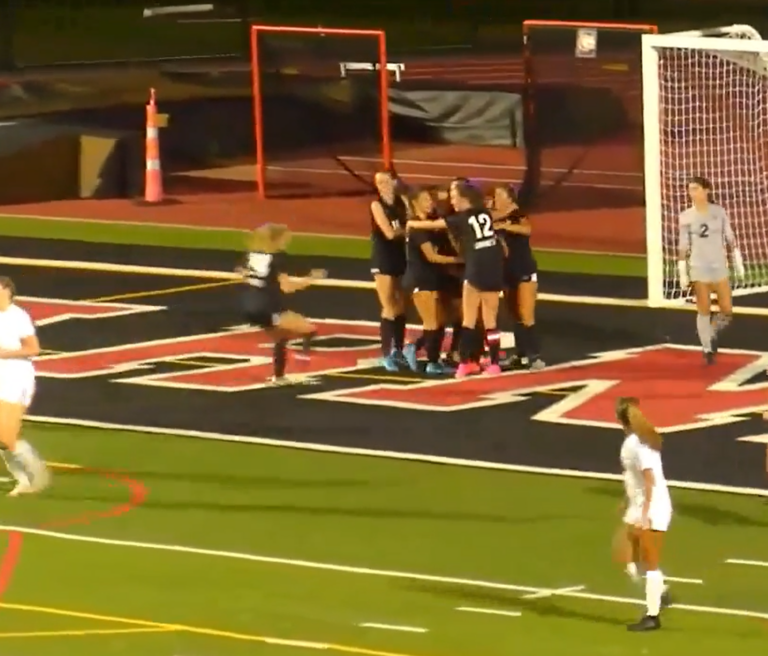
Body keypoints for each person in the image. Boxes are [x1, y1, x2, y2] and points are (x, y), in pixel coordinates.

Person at [407, 180, 505, 377]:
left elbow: (436, 224)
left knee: (468, 319)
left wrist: (411, 223)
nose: (452, 201)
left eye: (454, 197)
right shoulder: (484, 213)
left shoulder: (461, 218)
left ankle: (466, 363)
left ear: (463, 198)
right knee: (490, 320)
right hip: (493, 266)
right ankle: (494, 364)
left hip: (476, 266)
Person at [238, 225, 326, 385]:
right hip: (268, 306)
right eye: (285, 239)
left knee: (281, 336)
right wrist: (312, 278)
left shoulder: (251, 255)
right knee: (309, 330)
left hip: (249, 306)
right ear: (276, 239)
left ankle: (279, 376)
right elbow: (287, 287)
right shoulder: (277, 258)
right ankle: (303, 361)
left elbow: (243, 273)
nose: (286, 242)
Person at [615, 397, 672, 632]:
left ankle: (652, 614)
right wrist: (627, 501)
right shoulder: (640, 441)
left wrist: (645, 513)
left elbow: (649, 479)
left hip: (652, 507)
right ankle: (659, 592)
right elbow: (636, 478)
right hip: (641, 505)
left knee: (649, 562)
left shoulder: (638, 444)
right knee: (625, 556)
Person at [677, 176, 744, 364]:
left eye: (696, 188)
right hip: (698, 267)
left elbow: (730, 236)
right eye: (690, 189)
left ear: (707, 190)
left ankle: (711, 332)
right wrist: (682, 270)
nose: (692, 193)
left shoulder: (719, 212)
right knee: (704, 310)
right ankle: (707, 349)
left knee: (727, 311)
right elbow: (683, 245)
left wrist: (738, 260)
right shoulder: (686, 216)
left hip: (719, 266)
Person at [402, 187, 463, 374]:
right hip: (421, 279)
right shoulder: (417, 227)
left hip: (434, 278)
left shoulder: (428, 224)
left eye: (430, 200)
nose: (431, 203)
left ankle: (416, 348)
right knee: (432, 323)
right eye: (426, 200)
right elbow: (432, 256)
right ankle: (432, 363)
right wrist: (461, 260)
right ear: (415, 204)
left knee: (441, 321)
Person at [0, 276, 49, 496]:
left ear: (9, 294)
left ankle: (35, 475)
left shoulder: (18, 317)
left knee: (4, 435)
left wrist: (5, 353)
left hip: (15, 376)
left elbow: (33, 348)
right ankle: (24, 480)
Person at [491, 184, 543, 370]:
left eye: (498, 195)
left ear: (509, 198)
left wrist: (505, 225)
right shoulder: (493, 217)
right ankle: (521, 355)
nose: (495, 199)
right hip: (507, 271)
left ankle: (534, 356)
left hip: (524, 270)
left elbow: (527, 229)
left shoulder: (518, 215)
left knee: (526, 315)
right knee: (514, 315)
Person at [370, 171, 408, 371]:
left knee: (401, 305)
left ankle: (399, 349)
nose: (382, 185)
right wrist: (409, 229)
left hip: (400, 256)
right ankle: (387, 353)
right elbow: (389, 233)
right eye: (379, 182)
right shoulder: (377, 205)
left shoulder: (403, 202)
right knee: (388, 305)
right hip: (383, 256)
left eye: (386, 181)